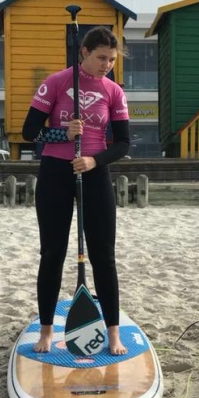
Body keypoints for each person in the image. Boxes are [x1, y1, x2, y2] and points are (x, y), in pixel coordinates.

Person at [22, 26, 130, 356]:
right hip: (55, 173)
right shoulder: (56, 83)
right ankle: (45, 330)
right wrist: (62, 133)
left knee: (104, 256)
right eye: (101, 58)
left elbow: (123, 144)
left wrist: (94, 161)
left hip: (94, 174)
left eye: (111, 60)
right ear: (83, 53)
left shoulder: (113, 91)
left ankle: (113, 333)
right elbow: (29, 133)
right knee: (52, 254)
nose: (106, 65)